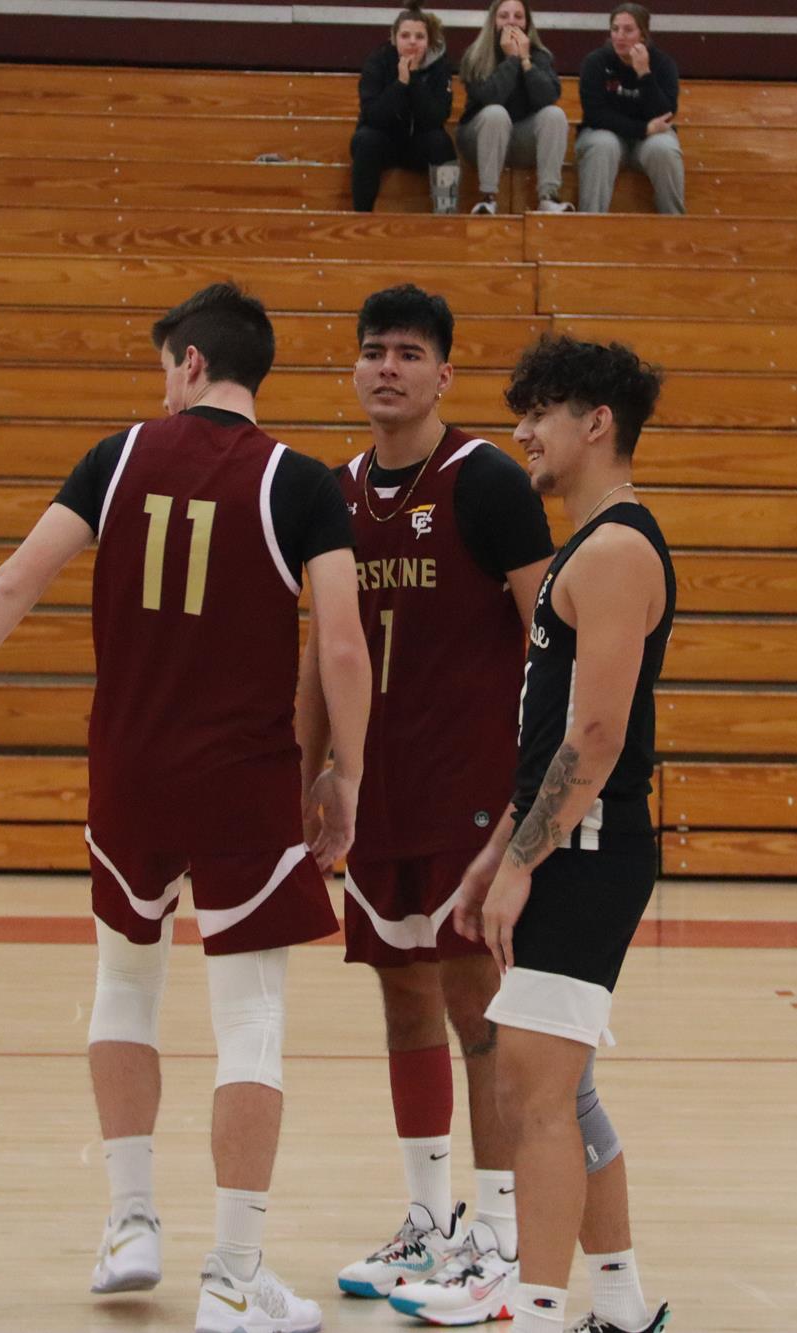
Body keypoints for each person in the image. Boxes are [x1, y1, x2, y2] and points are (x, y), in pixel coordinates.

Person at [0, 283, 371, 1333]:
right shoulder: (302, 482)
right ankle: (233, 1275)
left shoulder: (117, 458)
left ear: (187, 364)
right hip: (241, 783)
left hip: (128, 773)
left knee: (123, 986)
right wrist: (344, 780)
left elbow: (13, 582)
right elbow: (338, 646)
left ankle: (130, 1222)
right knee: (251, 1022)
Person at [295, 285, 554, 1324]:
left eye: (408, 352)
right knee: (399, 999)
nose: (387, 367)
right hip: (379, 793)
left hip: (468, 793)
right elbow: (316, 651)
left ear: (444, 373)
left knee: (469, 1004)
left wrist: (528, 797)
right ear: (354, 371)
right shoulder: (330, 491)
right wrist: (310, 772)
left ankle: (495, 1232)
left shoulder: (485, 481)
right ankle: (425, 1216)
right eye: (372, 351)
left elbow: (551, 637)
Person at [451, 334, 675, 1333]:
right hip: (563, 846)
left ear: (596, 424)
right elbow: (548, 736)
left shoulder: (619, 550)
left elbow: (595, 735)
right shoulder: (588, 548)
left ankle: (538, 1312)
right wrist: (499, 849)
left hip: (587, 856)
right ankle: (620, 1307)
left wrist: (525, 862)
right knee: (563, 1089)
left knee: (529, 1095)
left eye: (539, 411)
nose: (520, 431)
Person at [457, 0, 573, 216]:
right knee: (495, 113)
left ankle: (548, 197)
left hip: (521, 139)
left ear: (527, 23)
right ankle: (488, 198)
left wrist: (526, 60)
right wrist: (511, 59)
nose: (511, 21)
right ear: (493, 21)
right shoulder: (475, 55)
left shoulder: (540, 56)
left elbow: (548, 97)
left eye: (518, 16)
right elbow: (491, 97)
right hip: (478, 139)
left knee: (554, 114)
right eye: (504, 16)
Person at [575, 3, 684, 215]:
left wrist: (644, 74)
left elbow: (665, 113)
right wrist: (643, 129)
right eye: (615, 29)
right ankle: (589, 222)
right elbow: (596, 115)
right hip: (609, 133)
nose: (619, 36)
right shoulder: (595, 62)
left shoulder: (663, 64)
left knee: (664, 149)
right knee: (602, 145)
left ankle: (675, 223)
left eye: (628, 30)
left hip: (649, 140)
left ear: (642, 35)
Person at [354, 4, 461, 214]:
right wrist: (400, 84)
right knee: (366, 140)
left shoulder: (439, 67)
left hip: (419, 145)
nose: (412, 42)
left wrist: (414, 81)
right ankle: (361, 215)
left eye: (420, 37)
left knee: (441, 141)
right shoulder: (378, 62)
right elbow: (373, 115)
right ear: (394, 39)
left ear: (428, 41)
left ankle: (447, 214)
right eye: (405, 36)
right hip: (384, 142)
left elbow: (437, 117)